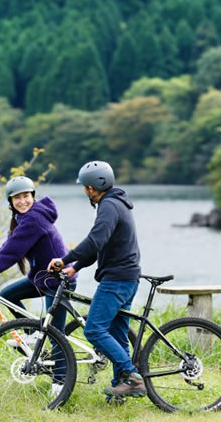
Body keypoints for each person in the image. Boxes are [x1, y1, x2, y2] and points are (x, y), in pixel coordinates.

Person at [48, 160, 145, 400]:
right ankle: (117, 393)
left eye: (84, 187)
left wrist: (64, 259)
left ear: (92, 188)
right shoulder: (116, 203)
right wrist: (76, 267)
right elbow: (101, 244)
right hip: (127, 277)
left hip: (117, 280)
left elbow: (95, 240)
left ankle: (132, 378)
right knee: (118, 335)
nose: (84, 191)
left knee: (94, 330)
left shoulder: (109, 206)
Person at [0, 176, 76, 393]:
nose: (22, 201)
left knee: (55, 334)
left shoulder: (33, 219)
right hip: (43, 278)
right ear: (10, 202)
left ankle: (60, 385)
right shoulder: (25, 219)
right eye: (17, 198)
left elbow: (13, 252)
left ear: (33, 196)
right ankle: (31, 334)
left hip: (58, 281)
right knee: (7, 294)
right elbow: (9, 245)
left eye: (26, 196)